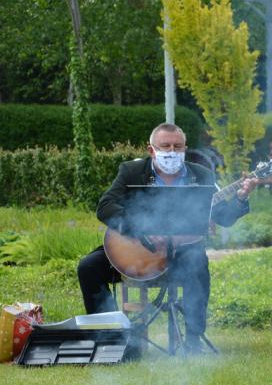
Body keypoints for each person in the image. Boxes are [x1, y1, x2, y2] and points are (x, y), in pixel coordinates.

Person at [77, 123, 258, 353]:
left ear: (185, 148)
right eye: (165, 146)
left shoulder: (201, 175)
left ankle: (193, 339)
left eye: (177, 146)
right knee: (89, 267)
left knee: (198, 265)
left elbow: (224, 217)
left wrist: (241, 198)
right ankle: (110, 338)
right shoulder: (131, 172)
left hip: (181, 253)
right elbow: (105, 208)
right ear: (151, 150)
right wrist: (140, 229)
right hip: (135, 248)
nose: (172, 151)